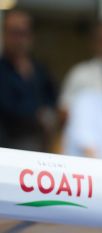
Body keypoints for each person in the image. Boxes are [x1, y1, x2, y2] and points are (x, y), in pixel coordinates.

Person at [0, 9, 57, 152]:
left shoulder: (40, 70)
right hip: (6, 147)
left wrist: (48, 115)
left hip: (38, 149)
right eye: (14, 33)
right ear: (4, 35)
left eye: (23, 33)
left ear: (31, 36)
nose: (19, 39)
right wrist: (38, 114)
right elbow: (8, 107)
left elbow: (52, 98)